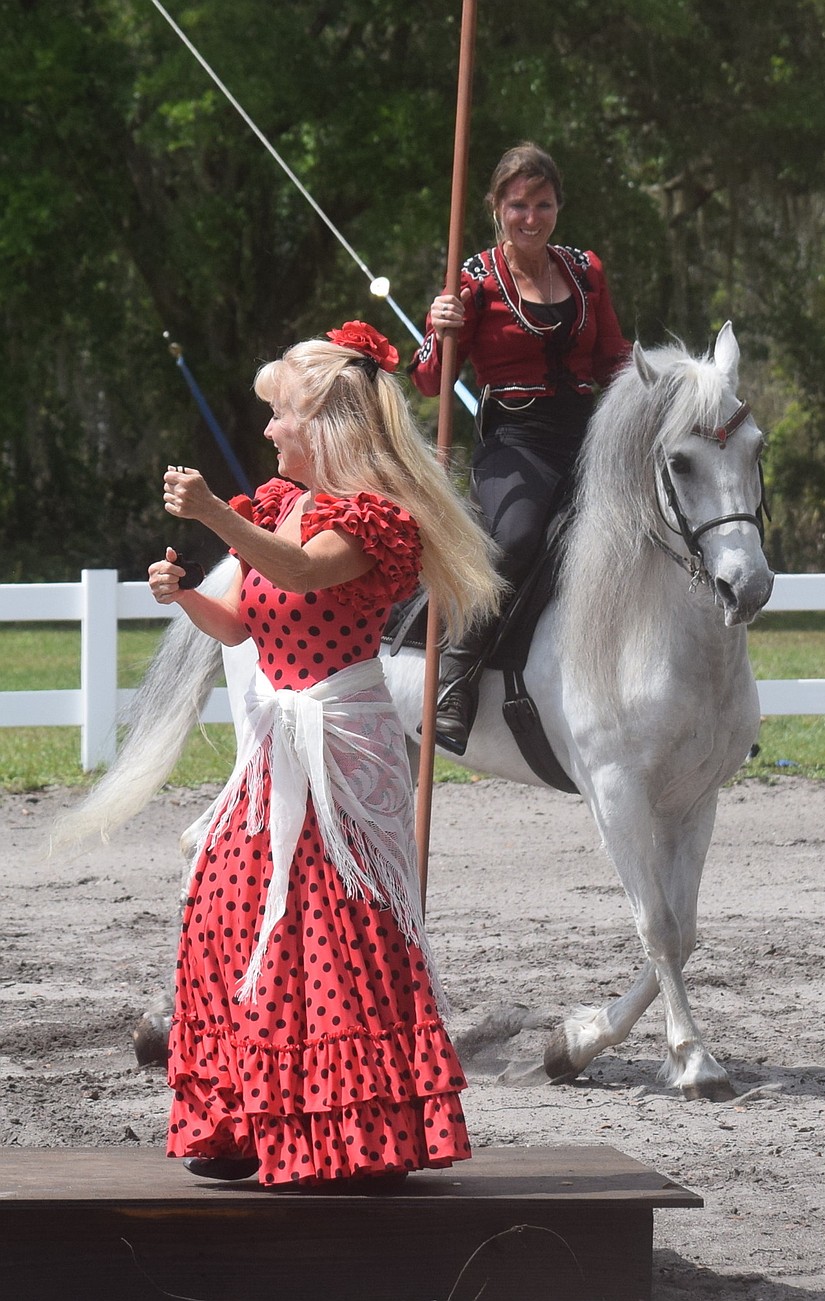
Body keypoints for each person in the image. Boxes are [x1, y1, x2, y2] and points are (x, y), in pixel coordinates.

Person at [148, 320, 501, 1189]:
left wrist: (211, 513)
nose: (267, 430)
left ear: (325, 427)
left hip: (337, 741)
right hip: (277, 739)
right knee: (229, 899)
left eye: (280, 416)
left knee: (329, 920)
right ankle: (242, 1119)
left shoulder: (377, 522)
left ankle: (357, 1131)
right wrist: (188, 592)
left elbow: (304, 575)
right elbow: (241, 619)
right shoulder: (275, 506)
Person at [409, 142, 632, 754]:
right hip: (514, 439)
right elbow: (429, 379)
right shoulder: (473, 282)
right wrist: (441, 327)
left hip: (590, 434)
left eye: (542, 203)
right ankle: (456, 678)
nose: (530, 217)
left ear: (558, 205)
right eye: (517, 205)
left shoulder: (587, 270)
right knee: (517, 539)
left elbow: (613, 357)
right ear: (495, 208)